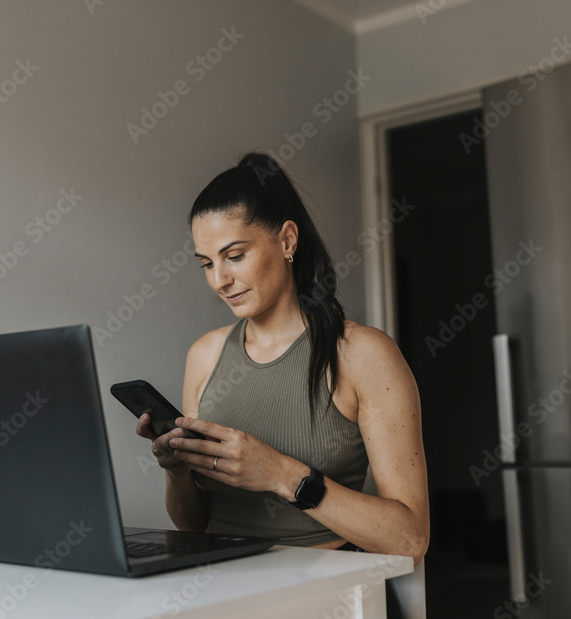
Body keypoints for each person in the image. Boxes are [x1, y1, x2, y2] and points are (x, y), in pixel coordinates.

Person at [135, 152, 429, 563]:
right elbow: (192, 526)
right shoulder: (205, 355)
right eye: (206, 263)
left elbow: (410, 539)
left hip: (324, 593)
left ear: (287, 240)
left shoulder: (362, 354)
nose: (219, 280)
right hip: (222, 584)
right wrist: (178, 471)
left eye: (234, 256)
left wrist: (279, 474)